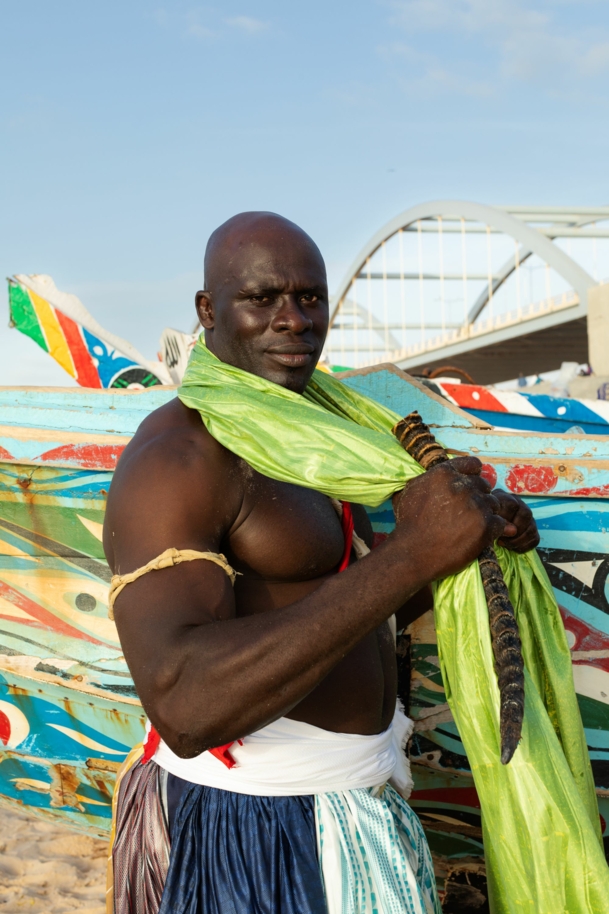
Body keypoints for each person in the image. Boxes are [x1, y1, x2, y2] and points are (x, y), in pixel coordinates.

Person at [103, 212, 539, 914]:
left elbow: (352, 612)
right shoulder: (180, 456)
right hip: (253, 826)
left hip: (346, 802)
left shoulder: (315, 437)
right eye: (262, 298)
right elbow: (184, 703)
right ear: (208, 311)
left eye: (309, 298)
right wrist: (414, 552)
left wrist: (459, 546)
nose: (293, 320)